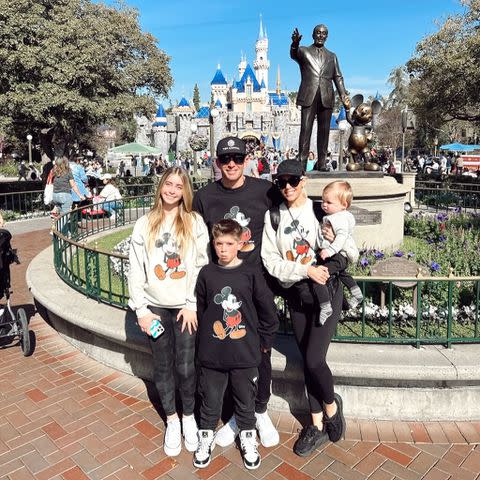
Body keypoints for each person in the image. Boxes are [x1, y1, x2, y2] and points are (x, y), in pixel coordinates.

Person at [193, 136, 282, 449]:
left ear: (247, 160)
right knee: (227, 350)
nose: (231, 164)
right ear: (216, 163)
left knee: (260, 352)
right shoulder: (204, 197)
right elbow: (191, 239)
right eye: (225, 159)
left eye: (238, 159)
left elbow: (292, 211)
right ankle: (236, 416)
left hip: (255, 287)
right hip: (221, 285)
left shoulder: (264, 190)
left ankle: (259, 411)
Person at [261, 159, 346, 457]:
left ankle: (332, 408)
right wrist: (305, 270)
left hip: (325, 295)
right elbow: (271, 262)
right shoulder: (273, 217)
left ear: (304, 180)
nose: (286, 187)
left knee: (312, 360)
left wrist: (326, 265)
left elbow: (348, 249)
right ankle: (316, 424)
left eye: (292, 181)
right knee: (307, 362)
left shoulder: (321, 210)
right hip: (297, 296)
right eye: (281, 182)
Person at [128, 167, 209, 457]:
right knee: (162, 365)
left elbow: (201, 264)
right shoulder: (145, 223)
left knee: (186, 366)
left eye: (179, 186)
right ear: (161, 186)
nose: (173, 190)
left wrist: (191, 303)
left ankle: (189, 416)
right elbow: (136, 267)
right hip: (154, 308)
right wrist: (141, 310)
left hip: (184, 308)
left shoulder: (193, 222)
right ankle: (171, 420)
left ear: (185, 191)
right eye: (168, 184)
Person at [194, 219, 278, 470]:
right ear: (213, 243)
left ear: (240, 244)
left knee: (245, 398)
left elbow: (267, 310)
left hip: (244, 353)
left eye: (229, 244)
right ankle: (205, 436)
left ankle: (248, 437)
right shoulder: (207, 273)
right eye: (219, 243)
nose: (223, 249)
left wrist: (265, 341)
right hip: (213, 354)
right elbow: (200, 309)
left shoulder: (250, 273)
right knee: (210, 398)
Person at [290, 24, 350, 171]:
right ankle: (302, 162)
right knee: (305, 129)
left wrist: (343, 95)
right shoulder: (304, 51)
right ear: (313, 35)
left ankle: (322, 162)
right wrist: (295, 43)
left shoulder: (332, 56)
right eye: (318, 33)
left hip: (326, 96)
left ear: (327, 36)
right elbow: (294, 54)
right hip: (308, 95)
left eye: (324, 33)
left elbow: (338, 77)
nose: (321, 35)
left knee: (324, 131)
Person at [317, 181, 363, 322]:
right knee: (342, 273)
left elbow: (341, 237)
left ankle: (325, 306)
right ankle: (356, 293)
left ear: (344, 205)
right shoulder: (339, 215)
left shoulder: (339, 218)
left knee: (319, 275)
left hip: (337, 255)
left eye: (329, 202)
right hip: (340, 257)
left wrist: (329, 250)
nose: (324, 204)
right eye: (323, 201)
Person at [51, 156, 85, 234]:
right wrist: (80, 195)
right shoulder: (68, 172)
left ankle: (65, 232)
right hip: (65, 195)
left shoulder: (54, 171)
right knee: (65, 216)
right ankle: (56, 231)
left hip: (55, 195)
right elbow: (73, 185)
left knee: (60, 215)